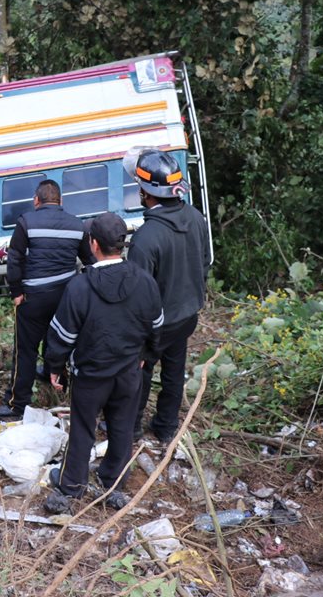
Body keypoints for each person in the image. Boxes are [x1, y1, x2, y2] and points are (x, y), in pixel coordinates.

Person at [42, 212, 163, 513]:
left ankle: (71, 486)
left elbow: (62, 335)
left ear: (93, 244)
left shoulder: (79, 288)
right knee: (122, 427)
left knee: (83, 428)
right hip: (128, 372)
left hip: (91, 375)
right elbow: (157, 327)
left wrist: (54, 368)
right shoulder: (145, 281)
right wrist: (146, 357)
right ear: (122, 245)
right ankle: (113, 481)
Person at [124, 147, 212, 444]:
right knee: (174, 372)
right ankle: (165, 427)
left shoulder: (145, 239)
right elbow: (204, 264)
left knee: (141, 372)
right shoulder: (196, 218)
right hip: (186, 316)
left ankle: (132, 429)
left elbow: (137, 296)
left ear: (146, 193)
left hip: (156, 324)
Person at [0, 179, 89, 419]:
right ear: (61, 201)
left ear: (36, 200)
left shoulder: (26, 222)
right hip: (65, 299)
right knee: (63, 342)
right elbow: (90, 263)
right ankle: (63, 384)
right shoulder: (78, 225)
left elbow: (15, 260)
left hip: (32, 298)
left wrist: (16, 292)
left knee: (25, 351)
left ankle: (16, 405)